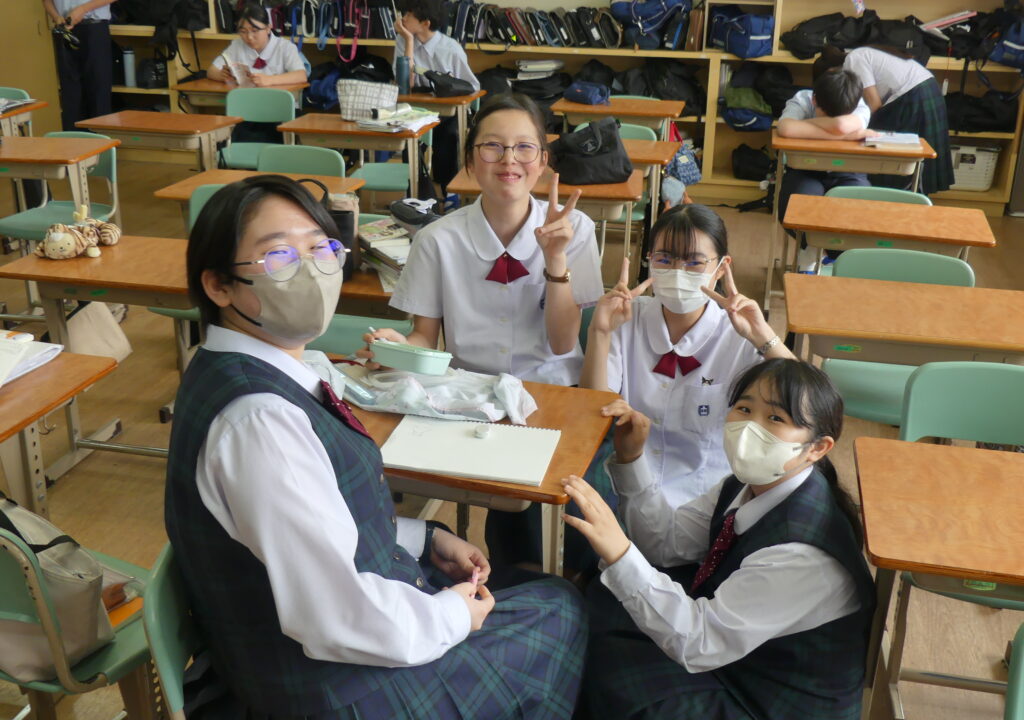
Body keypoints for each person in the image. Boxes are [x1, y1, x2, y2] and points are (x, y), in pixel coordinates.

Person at [165, 174, 585, 719]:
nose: (312, 270)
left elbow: (312, 526)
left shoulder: (246, 372)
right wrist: (452, 616)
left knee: (545, 597)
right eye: (279, 256)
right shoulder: (261, 420)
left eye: (322, 248)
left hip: (332, 642)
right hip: (336, 689)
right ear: (219, 286)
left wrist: (423, 537)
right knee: (559, 609)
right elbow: (333, 616)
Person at [564, 358, 875, 719]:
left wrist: (620, 554)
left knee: (607, 666)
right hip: (738, 659)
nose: (749, 427)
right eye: (744, 409)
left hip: (767, 701)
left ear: (817, 448)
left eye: (776, 418)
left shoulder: (802, 553)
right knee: (603, 604)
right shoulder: (748, 484)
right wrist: (632, 457)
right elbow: (665, 543)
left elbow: (698, 643)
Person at [360, 93, 603, 387]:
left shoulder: (574, 229)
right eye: (492, 146)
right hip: (467, 390)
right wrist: (400, 350)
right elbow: (424, 337)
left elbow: (563, 344)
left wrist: (555, 260)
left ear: (542, 162)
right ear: (470, 162)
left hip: (552, 389)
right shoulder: (436, 240)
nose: (509, 159)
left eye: (524, 147)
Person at [580, 204, 794, 510]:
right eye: (664, 259)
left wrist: (763, 336)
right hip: (623, 476)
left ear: (721, 267)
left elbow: (806, 404)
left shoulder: (739, 335)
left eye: (694, 262)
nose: (678, 272)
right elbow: (594, 409)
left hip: (704, 494)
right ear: (649, 260)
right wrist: (600, 332)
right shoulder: (626, 317)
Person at [815, 44, 954, 195]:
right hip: (927, 89)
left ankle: (898, 198)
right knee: (912, 158)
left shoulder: (854, 59)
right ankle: (910, 198)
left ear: (831, 71)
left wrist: (852, 129)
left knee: (894, 153)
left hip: (914, 97)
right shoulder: (864, 52)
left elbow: (874, 104)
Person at [776, 67, 875, 271]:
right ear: (814, 100)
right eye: (825, 114)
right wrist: (847, 136)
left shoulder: (858, 104)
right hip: (805, 170)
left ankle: (827, 253)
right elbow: (786, 128)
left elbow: (840, 126)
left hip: (847, 171)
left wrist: (807, 127)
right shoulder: (802, 99)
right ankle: (812, 249)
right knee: (796, 207)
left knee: (859, 210)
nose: (830, 120)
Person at [393, 0, 480, 191]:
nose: (403, 18)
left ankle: (448, 191)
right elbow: (405, 85)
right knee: (409, 140)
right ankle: (417, 192)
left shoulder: (450, 48)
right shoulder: (402, 41)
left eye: (409, 15)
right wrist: (408, 41)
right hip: (416, 110)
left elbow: (472, 87)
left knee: (448, 139)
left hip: (447, 112)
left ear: (426, 23)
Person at [33, 0, 122, 131]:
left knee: (98, 88)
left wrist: (82, 9)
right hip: (65, 28)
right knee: (70, 89)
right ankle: (72, 141)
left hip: (94, 28)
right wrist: (56, 17)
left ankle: (100, 141)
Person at [207, 1, 308, 87]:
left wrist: (270, 80)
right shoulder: (237, 45)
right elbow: (211, 71)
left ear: (268, 28)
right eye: (243, 31)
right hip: (246, 100)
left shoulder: (285, 47)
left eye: (255, 31)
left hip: (277, 101)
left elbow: (301, 75)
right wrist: (222, 75)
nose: (249, 37)